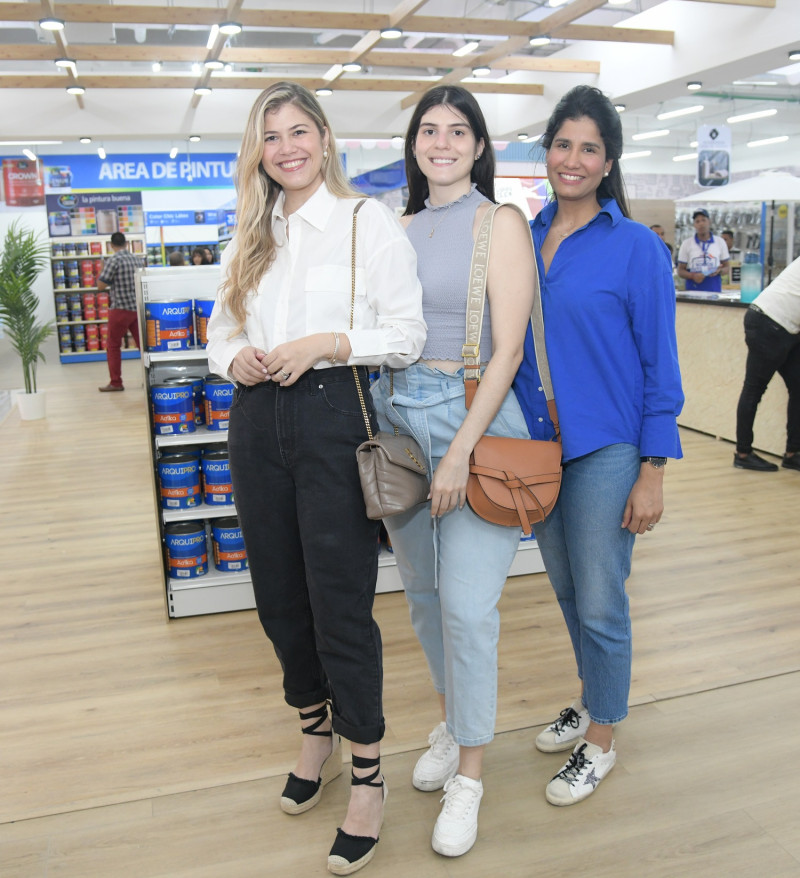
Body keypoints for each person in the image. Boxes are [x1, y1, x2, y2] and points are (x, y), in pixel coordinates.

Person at [205, 81, 425, 876]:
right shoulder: (250, 232)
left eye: (301, 131)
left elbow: (405, 335)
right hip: (255, 420)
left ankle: (368, 774)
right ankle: (314, 730)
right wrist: (238, 356)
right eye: (272, 137)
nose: (288, 147)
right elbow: (219, 331)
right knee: (278, 600)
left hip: (334, 414)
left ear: (326, 139)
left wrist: (327, 342)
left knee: (341, 604)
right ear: (257, 151)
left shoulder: (369, 223)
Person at [370, 85, 535, 858]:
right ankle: (450, 720)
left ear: (477, 147)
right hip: (399, 416)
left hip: (472, 419)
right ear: (413, 145)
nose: (442, 142)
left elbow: (507, 349)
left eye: (457, 131)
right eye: (428, 130)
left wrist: (462, 450)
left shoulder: (498, 223)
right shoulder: (396, 227)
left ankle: (470, 773)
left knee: (469, 609)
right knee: (428, 603)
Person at [513, 85, 684, 807]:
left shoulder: (636, 246)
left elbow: (660, 362)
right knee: (567, 590)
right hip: (539, 450)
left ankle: (603, 738)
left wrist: (653, 469)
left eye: (588, 147)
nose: (572, 159)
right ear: (546, 152)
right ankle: (592, 698)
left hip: (610, 447)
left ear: (608, 159)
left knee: (602, 598)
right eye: (562, 144)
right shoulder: (521, 237)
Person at [734, 254, 800, 472]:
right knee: (754, 389)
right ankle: (743, 453)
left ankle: (793, 453)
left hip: (784, 326)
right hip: (769, 323)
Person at [96, 231, 143, 392]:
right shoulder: (137, 260)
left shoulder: (113, 260)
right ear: (126, 243)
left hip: (120, 309)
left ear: (111, 245)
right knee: (143, 346)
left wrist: (102, 270)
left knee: (113, 346)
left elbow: (101, 286)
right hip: (136, 308)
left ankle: (116, 382)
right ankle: (148, 379)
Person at [677, 208, 730, 292]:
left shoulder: (720, 242)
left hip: (714, 288)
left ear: (709, 222)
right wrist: (693, 276)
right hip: (693, 289)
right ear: (694, 225)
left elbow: (727, 267)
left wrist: (720, 271)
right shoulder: (687, 243)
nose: (701, 224)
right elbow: (680, 271)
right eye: (697, 221)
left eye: (703, 220)